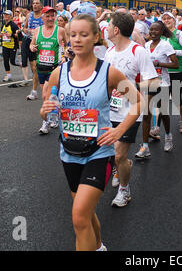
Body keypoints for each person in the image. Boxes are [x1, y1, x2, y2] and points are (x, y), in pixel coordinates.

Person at [40, 13, 143, 251]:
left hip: (99, 153)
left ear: (96, 37)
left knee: (78, 216)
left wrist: (119, 131)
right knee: (84, 213)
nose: (77, 39)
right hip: (69, 153)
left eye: (84, 34)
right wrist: (45, 112)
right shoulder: (59, 73)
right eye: (73, 35)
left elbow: (138, 102)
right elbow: (49, 111)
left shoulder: (109, 72)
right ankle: (98, 247)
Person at [104, 11, 158, 207]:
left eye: (109, 25)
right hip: (109, 111)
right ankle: (122, 166)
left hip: (130, 112)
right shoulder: (109, 53)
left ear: (116, 30)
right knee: (112, 154)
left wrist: (128, 89)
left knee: (119, 154)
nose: (107, 28)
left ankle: (124, 191)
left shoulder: (138, 51)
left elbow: (152, 81)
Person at [137, 21, 178, 157]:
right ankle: (145, 147)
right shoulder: (146, 45)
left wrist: (159, 64)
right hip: (150, 83)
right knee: (146, 114)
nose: (153, 32)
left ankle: (168, 137)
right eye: (151, 30)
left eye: (156, 30)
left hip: (163, 83)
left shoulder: (166, 45)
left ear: (161, 32)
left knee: (164, 113)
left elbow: (175, 64)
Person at [30, 6, 67, 134]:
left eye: (53, 16)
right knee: (48, 95)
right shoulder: (37, 30)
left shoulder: (60, 30)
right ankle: (54, 115)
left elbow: (67, 45)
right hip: (41, 68)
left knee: (46, 95)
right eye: (48, 16)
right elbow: (32, 44)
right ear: (42, 17)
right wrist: (32, 47)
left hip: (54, 69)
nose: (51, 18)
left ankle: (45, 123)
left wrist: (64, 57)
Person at [161, 11, 182, 133]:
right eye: (164, 19)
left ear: (174, 20)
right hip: (163, 71)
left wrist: (172, 52)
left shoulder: (179, 34)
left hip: (177, 70)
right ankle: (157, 127)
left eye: (169, 19)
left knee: (177, 98)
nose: (166, 21)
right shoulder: (159, 34)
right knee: (162, 99)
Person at [22, 0, 44, 100]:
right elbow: (24, 27)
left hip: (40, 44)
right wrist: (26, 30)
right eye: (33, 3)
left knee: (35, 68)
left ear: (41, 5)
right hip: (29, 42)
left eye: (37, 3)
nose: (35, 5)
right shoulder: (29, 15)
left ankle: (34, 91)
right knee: (33, 68)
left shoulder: (44, 16)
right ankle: (38, 85)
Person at [1, 10, 20, 82]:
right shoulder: (3, 25)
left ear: (10, 16)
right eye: (4, 14)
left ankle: (22, 64)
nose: (5, 16)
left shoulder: (13, 25)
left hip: (12, 46)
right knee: (5, 61)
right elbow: (2, 34)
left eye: (7, 15)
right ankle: (8, 75)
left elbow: (18, 35)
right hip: (5, 45)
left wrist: (11, 35)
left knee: (13, 62)